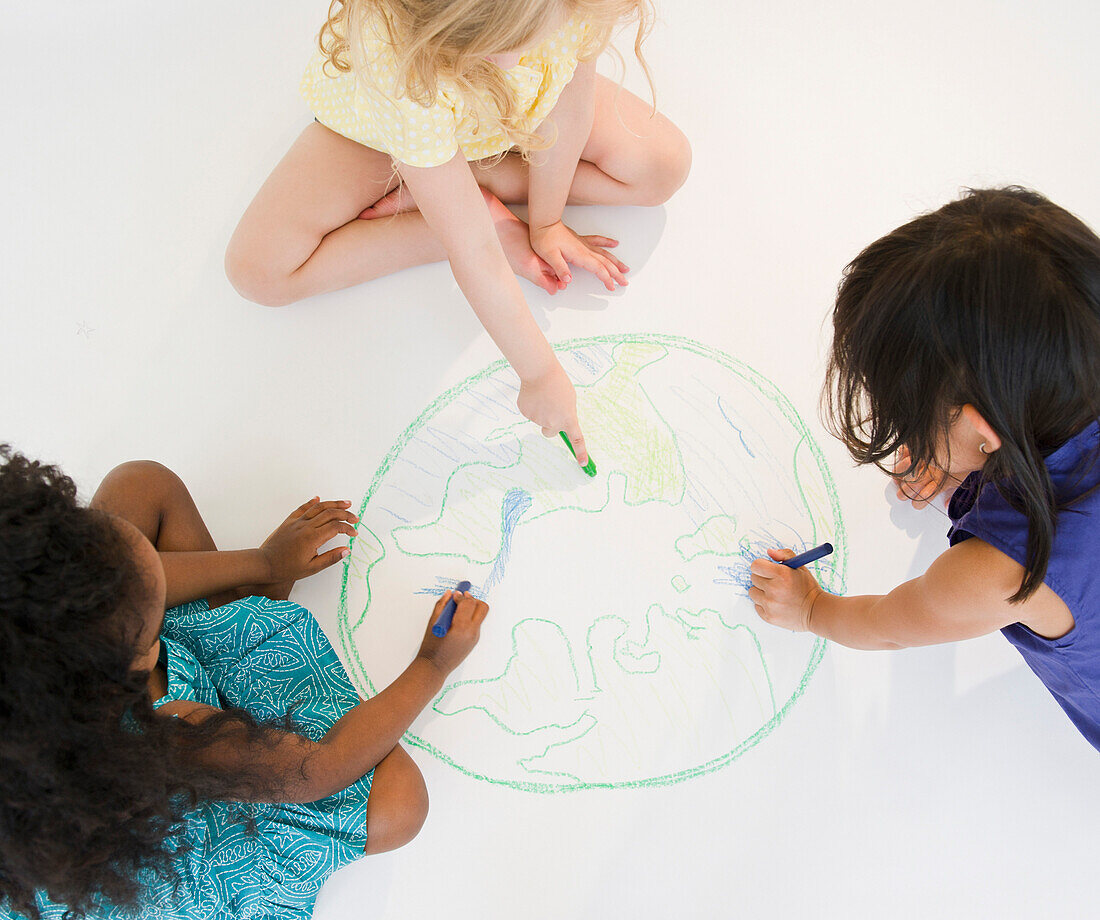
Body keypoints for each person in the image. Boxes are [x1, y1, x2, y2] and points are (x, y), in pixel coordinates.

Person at [0, 450, 488, 919]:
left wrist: (266, 562)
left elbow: (133, 576)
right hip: (170, 839)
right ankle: (243, 621)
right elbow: (315, 772)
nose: (152, 568)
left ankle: (239, 605)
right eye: (144, 600)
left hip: (57, 807)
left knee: (140, 485)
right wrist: (433, 663)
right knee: (401, 805)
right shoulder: (173, 732)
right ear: (138, 660)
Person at [225, 0, 691, 467]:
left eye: (515, 42)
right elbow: (475, 253)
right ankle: (455, 202)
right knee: (258, 273)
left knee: (663, 168)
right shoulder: (401, 62)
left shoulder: (574, 7)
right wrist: (540, 374)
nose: (506, 61)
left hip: (506, 113)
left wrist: (546, 223)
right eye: (494, 43)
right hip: (389, 129)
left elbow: (568, 112)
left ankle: (470, 186)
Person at [750, 187, 1100, 751]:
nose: (900, 425)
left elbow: (891, 626)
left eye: (908, 413)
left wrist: (812, 609)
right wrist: (955, 455)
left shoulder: (997, 572)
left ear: (986, 433)